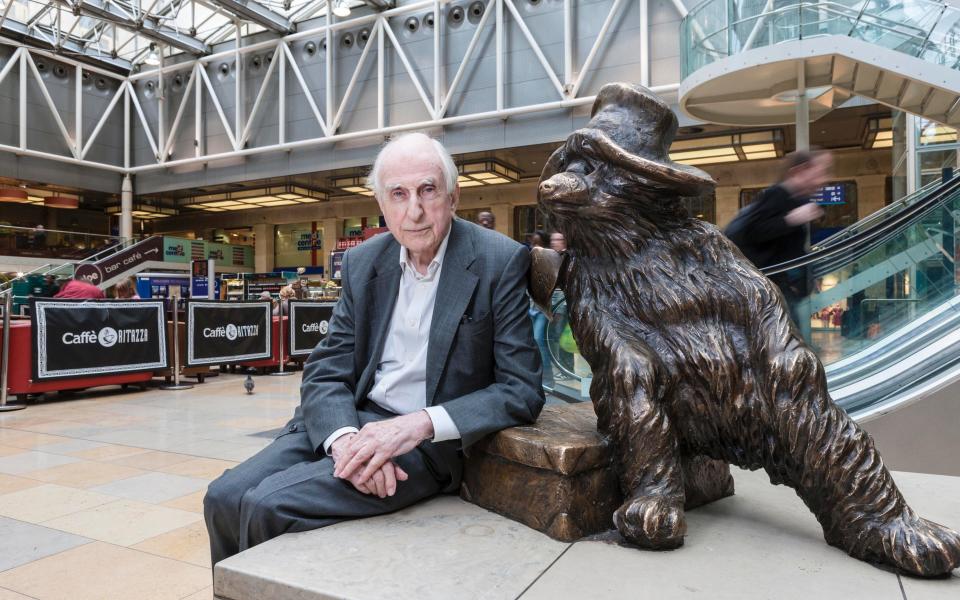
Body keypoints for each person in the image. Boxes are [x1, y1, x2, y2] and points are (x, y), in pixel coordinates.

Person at [203, 133, 545, 565]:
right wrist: (346, 441)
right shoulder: (366, 262)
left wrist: (414, 426)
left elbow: (521, 390)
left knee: (267, 505)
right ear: (382, 205)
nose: (414, 211)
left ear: (453, 197)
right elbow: (327, 369)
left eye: (428, 191)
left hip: (427, 443)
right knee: (223, 496)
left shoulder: (499, 260)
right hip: (352, 423)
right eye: (398, 195)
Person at [727, 149, 831, 331]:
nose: (823, 179)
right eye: (820, 172)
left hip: (778, 290)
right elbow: (752, 233)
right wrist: (791, 219)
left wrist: (807, 276)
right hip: (769, 289)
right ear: (801, 170)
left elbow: (791, 248)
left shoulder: (797, 199)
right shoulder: (777, 194)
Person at [528, 230, 554, 389]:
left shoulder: (550, 258)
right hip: (530, 307)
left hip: (543, 308)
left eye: (539, 243)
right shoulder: (530, 257)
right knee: (531, 342)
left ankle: (548, 380)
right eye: (533, 243)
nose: (535, 247)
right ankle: (536, 378)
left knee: (539, 340)